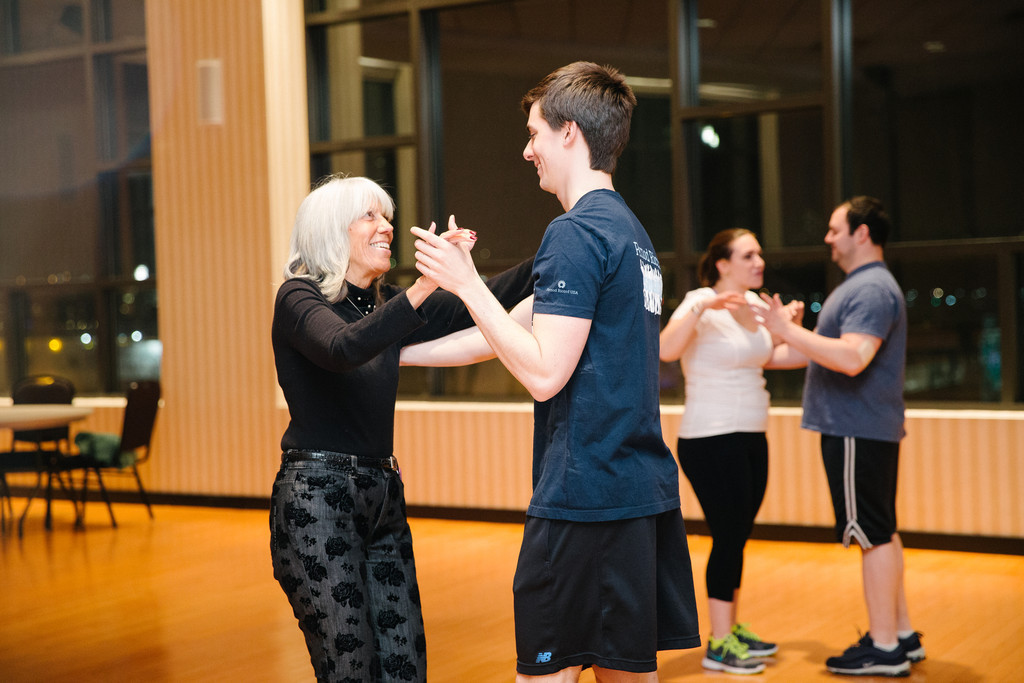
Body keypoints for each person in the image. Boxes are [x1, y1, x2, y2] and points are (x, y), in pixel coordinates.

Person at [411, 61, 701, 682]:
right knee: (625, 672)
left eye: (535, 133)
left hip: (584, 497)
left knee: (544, 674)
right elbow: (504, 332)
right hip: (633, 490)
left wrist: (464, 282)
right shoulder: (630, 233)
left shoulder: (575, 232)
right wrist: (390, 354)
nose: (527, 150)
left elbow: (543, 373)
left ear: (569, 133)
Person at [270, 174, 534, 682]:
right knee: (352, 668)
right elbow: (342, 348)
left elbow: (491, 296)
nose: (386, 226)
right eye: (370, 216)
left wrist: (561, 246)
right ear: (331, 230)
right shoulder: (299, 298)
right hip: (317, 500)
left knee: (404, 664)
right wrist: (424, 287)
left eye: (387, 215)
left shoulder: (384, 303)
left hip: (382, 495)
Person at [754, 196, 925, 677]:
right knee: (882, 532)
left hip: (855, 430)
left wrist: (785, 328)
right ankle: (902, 635)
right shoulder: (865, 286)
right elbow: (822, 353)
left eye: (835, 229)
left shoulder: (870, 289)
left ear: (862, 233)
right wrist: (773, 341)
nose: (827, 238)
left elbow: (851, 358)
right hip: (866, 429)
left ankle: (885, 647)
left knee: (869, 535)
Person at [659, 228, 803, 675]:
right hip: (710, 437)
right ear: (723, 263)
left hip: (751, 434)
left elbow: (775, 358)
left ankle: (732, 628)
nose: (759, 261)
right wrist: (702, 305)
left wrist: (790, 331)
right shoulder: (700, 301)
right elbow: (666, 349)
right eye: (748, 254)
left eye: (759, 253)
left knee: (737, 534)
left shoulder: (757, 305)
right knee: (727, 534)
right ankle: (718, 644)